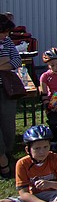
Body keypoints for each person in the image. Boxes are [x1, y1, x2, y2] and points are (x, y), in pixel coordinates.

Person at [0, 14, 21, 180]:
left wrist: (4, 62)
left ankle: (7, 152)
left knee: (8, 124)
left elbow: (17, 60)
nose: (6, 35)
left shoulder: (7, 42)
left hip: (6, 89)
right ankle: (2, 161)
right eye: (4, 32)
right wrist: (5, 62)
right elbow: (9, 62)